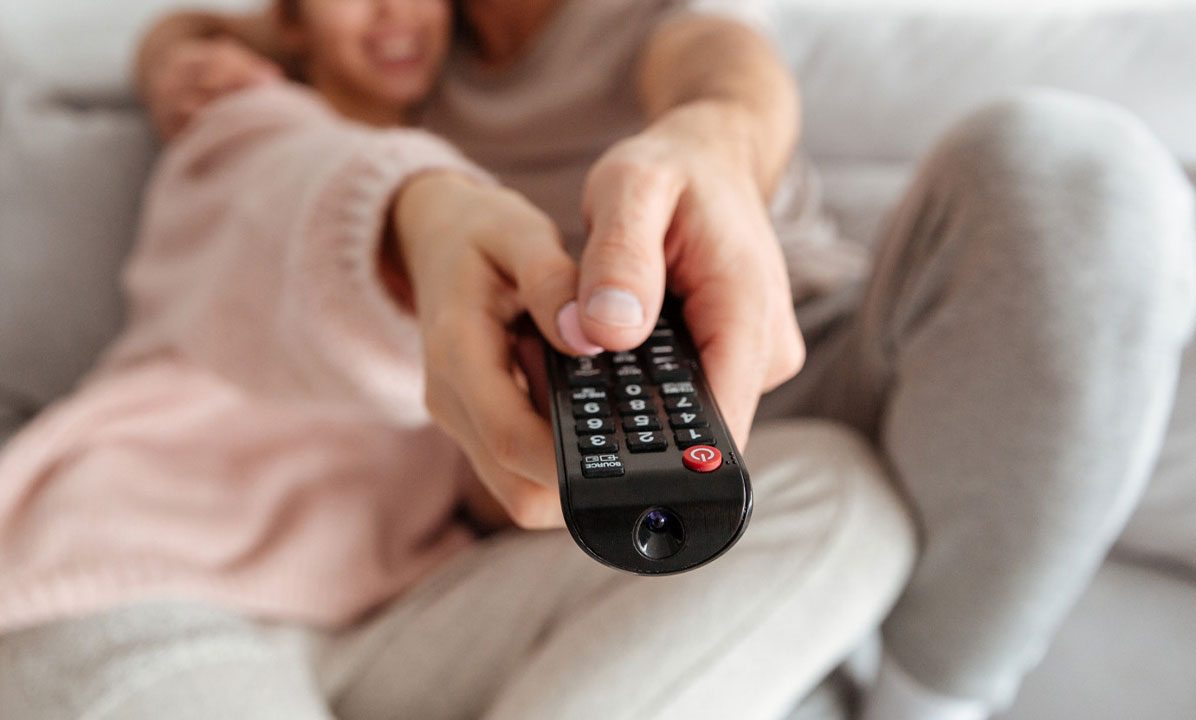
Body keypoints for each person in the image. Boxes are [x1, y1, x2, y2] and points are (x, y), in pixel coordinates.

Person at [0, 0, 913, 718]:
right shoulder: (235, 125)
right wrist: (424, 217)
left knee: (840, 496)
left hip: (395, 609)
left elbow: (717, 43)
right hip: (146, 582)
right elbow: (306, 187)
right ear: (291, 20)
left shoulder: (485, 151)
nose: (395, 13)